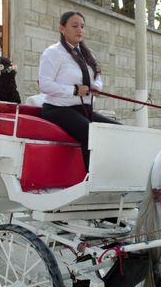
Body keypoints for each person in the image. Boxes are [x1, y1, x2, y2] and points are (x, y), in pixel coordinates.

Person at [38, 10, 120, 171]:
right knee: (91, 133)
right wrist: (74, 90)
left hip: (83, 109)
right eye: (74, 26)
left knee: (117, 130)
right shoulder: (53, 53)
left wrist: (97, 87)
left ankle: (113, 173)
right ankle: (91, 180)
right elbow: (44, 84)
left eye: (82, 26)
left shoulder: (87, 54)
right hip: (58, 110)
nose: (80, 30)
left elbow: (97, 77)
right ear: (62, 29)